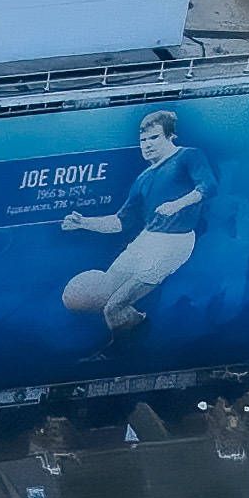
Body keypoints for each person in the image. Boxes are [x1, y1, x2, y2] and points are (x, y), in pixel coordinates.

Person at [61, 110, 212, 342]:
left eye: (154, 138)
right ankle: (138, 328)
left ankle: (124, 351)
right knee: (105, 294)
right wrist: (84, 223)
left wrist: (178, 204)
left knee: (113, 307)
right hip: (147, 239)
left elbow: (208, 186)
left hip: (174, 243)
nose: (147, 145)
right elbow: (120, 222)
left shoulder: (188, 156)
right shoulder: (143, 178)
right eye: (143, 140)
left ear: (170, 137)